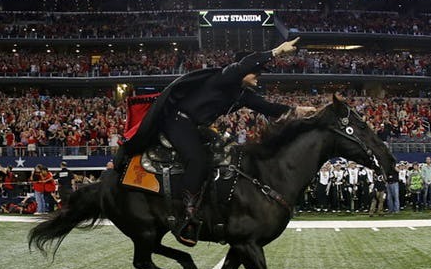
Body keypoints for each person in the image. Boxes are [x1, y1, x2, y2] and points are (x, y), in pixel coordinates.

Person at [117, 37, 314, 246]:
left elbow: (269, 108)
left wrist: (297, 111)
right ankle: (188, 216)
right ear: (243, 71)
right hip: (177, 120)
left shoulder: (243, 94)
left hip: (194, 127)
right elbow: (246, 64)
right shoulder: (225, 76)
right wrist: (278, 51)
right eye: (256, 72)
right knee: (198, 160)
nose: (259, 76)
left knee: (221, 155)